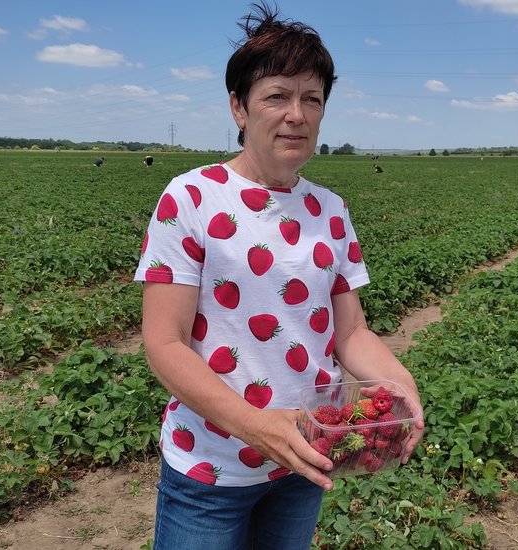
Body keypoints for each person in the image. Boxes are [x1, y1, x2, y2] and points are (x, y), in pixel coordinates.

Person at [134, 4, 424, 549]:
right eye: (276, 96)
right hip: (210, 471)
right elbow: (163, 343)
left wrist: (400, 386)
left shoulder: (331, 209)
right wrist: (255, 425)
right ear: (238, 108)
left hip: (305, 462)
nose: (297, 113)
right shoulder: (191, 197)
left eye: (311, 98)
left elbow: (351, 333)